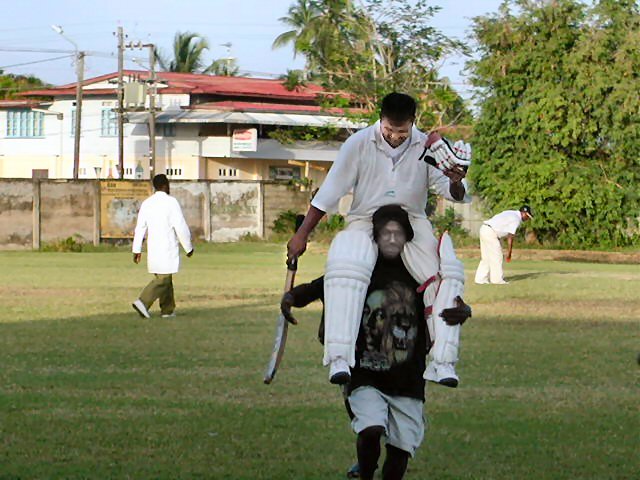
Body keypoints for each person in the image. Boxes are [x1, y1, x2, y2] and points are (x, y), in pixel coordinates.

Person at [287, 92, 472, 387]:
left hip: (412, 219)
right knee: (344, 263)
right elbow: (330, 192)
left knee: (447, 275)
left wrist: (456, 180)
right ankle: (339, 357)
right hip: (365, 218)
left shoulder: (427, 146)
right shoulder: (358, 144)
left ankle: (443, 361)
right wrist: (302, 234)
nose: (395, 136)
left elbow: (456, 195)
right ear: (381, 119)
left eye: (402, 131)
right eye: (389, 129)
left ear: (413, 122)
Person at [282, 205, 471, 480]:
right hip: (365, 372)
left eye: (397, 233)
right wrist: (289, 299)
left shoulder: (421, 274)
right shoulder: (359, 269)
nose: (391, 239)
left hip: (408, 377)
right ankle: (366, 473)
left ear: (408, 237)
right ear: (375, 236)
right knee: (370, 429)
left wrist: (463, 312)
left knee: (401, 448)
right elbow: (316, 288)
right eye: (385, 233)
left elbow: (444, 305)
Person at [131, 174, 194, 318]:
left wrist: (137, 249)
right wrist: (188, 247)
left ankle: (167, 310)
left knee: (166, 278)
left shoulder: (147, 203)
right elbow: (180, 226)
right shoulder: (171, 202)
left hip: (153, 248)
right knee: (163, 279)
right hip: (167, 247)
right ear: (165, 185)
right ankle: (143, 302)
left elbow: (140, 227)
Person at [474, 205, 533, 285]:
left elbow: (500, 226)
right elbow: (510, 237)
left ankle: (480, 279)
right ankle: (497, 280)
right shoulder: (516, 219)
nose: (527, 219)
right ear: (524, 213)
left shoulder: (511, 213)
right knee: (497, 256)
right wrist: (509, 253)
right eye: (528, 216)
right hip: (491, 232)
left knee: (486, 257)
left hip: (484, 229)